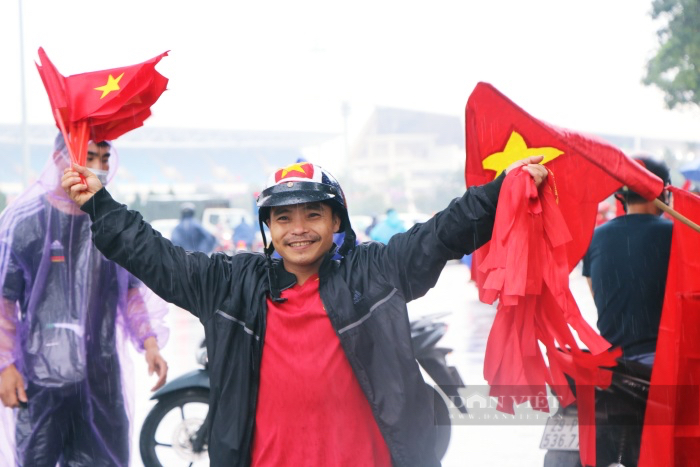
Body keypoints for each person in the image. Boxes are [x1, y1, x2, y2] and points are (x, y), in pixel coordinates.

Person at [61, 157, 547, 466]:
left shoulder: (375, 271)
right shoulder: (230, 284)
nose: (299, 229)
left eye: (313, 214)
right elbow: (156, 256)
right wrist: (101, 206)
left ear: (337, 220)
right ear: (269, 227)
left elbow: (441, 233)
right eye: (283, 217)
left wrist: (501, 189)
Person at [0, 134, 170, 465]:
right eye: (89, 157)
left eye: (105, 159)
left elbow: (130, 293)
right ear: (59, 158)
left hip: (102, 378)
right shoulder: (26, 225)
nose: (99, 167)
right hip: (40, 382)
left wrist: (150, 343)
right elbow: (4, 304)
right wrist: (5, 365)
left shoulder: (112, 226)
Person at [582, 156, 673, 366]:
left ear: (621, 196)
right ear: (663, 192)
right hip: (662, 363)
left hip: (615, 364)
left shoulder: (595, 237)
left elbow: (599, 296)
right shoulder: (676, 235)